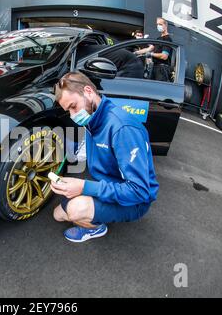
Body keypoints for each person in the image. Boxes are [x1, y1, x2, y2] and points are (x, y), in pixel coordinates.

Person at [51, 72, 159, 242]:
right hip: (109, 185)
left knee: (74, 210)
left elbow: (140, 191)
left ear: (88, 91)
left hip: (135, 201)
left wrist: (83, 187)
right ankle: (94, 210)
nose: (72, 116)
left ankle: (96, 228)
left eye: (73, 106)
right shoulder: (92, 117)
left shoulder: (123, 129)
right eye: (68, 111)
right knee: (58, 215)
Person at [135, 17, 173, 82]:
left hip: (162, 69)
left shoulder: (167, 39)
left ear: (165, 26)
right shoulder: (158, 39)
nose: (158, 26)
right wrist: (136, 53)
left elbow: (164, 56)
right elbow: (149, 49)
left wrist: (151, 54)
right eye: (157, 24)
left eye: (160, 24)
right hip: (155, 67)